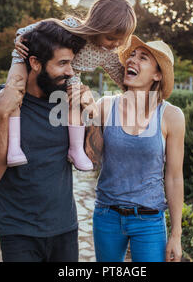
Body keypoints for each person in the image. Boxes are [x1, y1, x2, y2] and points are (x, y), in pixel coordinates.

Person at [0, 20, 87, 262]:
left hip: (65, 229)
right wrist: (1, 113)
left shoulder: (68, 102)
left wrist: (91, 112)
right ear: (35, 62)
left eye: (72, 63)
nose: (70, 71)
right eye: (62, 63)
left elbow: (95, 157)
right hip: (19, 233)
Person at [78, 35, 185, 262]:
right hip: (107, 215)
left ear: (157, 75)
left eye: (143, 58)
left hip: (149, 220)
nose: (132, 61)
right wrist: (87, 112)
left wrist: (176, 234)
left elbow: (174, 177)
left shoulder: (171, 116)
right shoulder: (106, 106)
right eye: (132, 55)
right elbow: (91, 159)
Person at [6, 0, 136, 171]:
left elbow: (121, 77)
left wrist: (142, 89)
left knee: (75, 100)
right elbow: (29, 30)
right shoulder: (73, 27)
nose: (116, 44)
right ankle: (13, 147)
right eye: (111, 38)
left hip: (69, 73)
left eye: (122, 40)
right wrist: (20, 39)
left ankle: (75, 150)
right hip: (27, 58)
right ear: (97, 27)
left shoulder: (108, 54)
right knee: (15, 89)